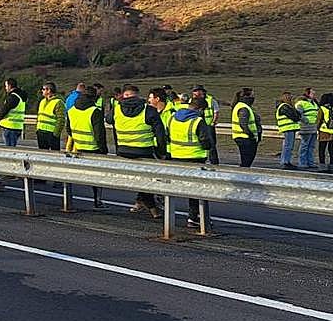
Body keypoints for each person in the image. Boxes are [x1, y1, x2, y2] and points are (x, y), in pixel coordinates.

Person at [109, 84, 166, 218]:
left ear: (124, 95)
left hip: (123, 151)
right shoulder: (149, 110)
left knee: (144, 179)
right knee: (150, 179)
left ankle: (143, 203)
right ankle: (152, 208)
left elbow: (108, 119)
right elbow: (160, 134)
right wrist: (161, 152)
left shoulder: (116, 109)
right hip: (144, 151)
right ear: (138, 95)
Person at [167, 95, 218, 229]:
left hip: (176, 156)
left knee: (180, 189)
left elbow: (168, 135)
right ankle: (195, 217)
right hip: (195, 158)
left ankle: (183, 216)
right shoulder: (197, 121)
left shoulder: (173, 117)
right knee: (197, 190)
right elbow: (206, 142)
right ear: (200, 109)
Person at [64, 86, 107, 208]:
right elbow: (100, 134)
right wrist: (104, 150)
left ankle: (69, 201)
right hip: (94, 148)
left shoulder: (71, 110)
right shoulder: (94, 111)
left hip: (79, 147)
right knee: (97, 178)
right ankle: (97, 201)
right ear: (94, 97)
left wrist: (78, 140)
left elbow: (69, 129)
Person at [230, 88, 261, 168]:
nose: (253, 98)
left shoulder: (241, 106)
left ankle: (243, 172)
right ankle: (243, 174)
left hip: (242, 137)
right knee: (247, 159)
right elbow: (243, 124)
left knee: (246, 159)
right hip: (245, 138)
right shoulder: (243, 108)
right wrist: (250, 135)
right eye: (252, 96)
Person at [0, 78, 25, 147]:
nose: (5, 88)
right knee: (12, 147)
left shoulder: (13, 97)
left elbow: (5, 109)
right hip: (17, 126)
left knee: (9, 149)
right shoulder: (20, 96)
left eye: (6, 86)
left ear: (10, 86)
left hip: (10, 127)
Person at [294, 87, 319, 170]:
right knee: (304, 146)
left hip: (314, 127)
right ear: (307, 94)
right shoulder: (300, 103)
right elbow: (298, 114)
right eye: (312, 92)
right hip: (305, 127)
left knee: (311, 146)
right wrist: (306, 120)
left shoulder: (315, 103)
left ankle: (310, 162)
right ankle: (302, 163)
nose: (314, 93)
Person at [318, 92, 333, 173]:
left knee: (322, 150)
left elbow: (319, 120)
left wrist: (317, 129)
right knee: (332, 150)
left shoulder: (322, 108)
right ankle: (332, 167)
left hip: (324, 131)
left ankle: (322, 167)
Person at [275, 92, 301, 169]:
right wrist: (296, 114)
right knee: (288, 146)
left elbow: (297, 115)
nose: (291, 98)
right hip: (288, 128)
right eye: (289, 97)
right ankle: (285, 162)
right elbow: (295, 116)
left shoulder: (288, 106)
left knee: (289, 146)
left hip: (290, 128)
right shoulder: (284, 106)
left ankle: (286, 161)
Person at [36, 82, 64, 151]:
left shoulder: (58, 102)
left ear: (49, 90)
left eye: (43, 89)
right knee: (42, 154)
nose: (42, 91)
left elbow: (61, 119)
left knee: (54, 155)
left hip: (51, 134)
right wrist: (37, 130)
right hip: (41, 132)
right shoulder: (42, 101)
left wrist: (56, 134)